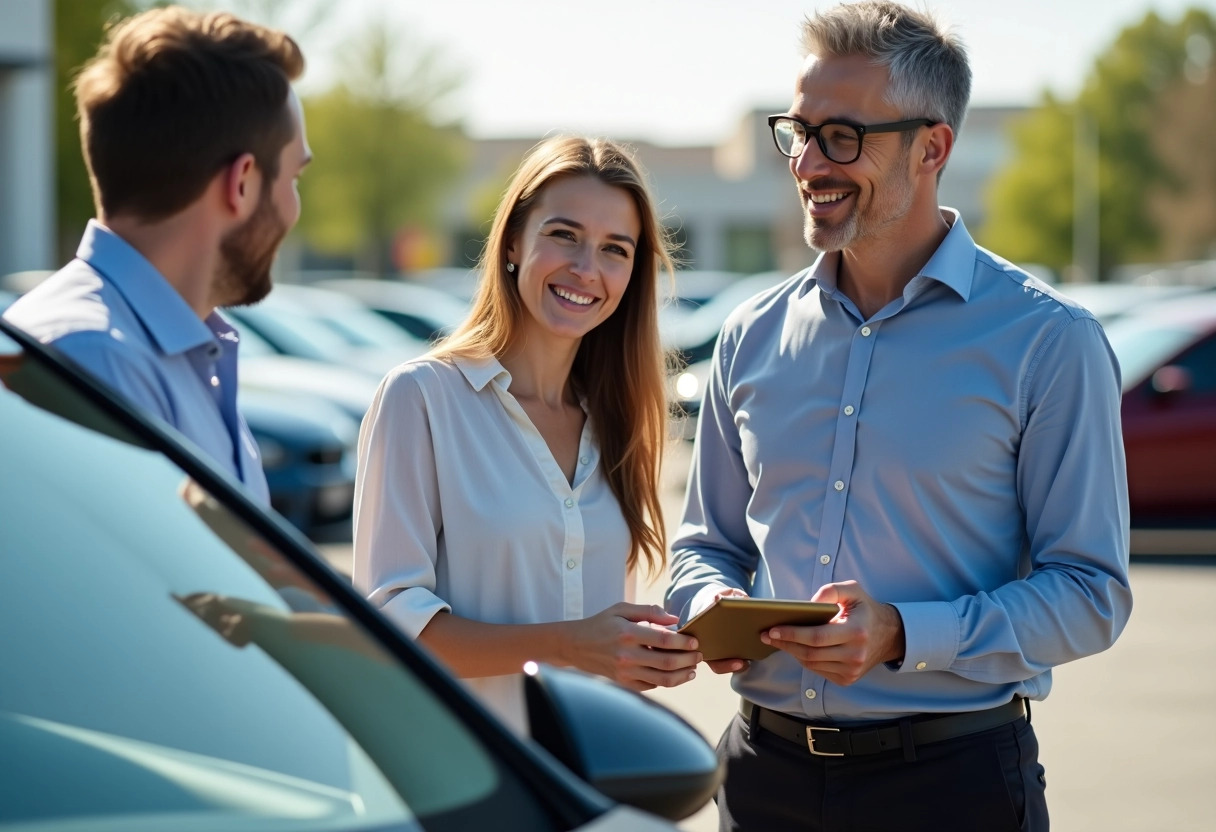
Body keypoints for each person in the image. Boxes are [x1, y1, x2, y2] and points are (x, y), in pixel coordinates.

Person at [664, 3, 1133, 830]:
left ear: (933, 147)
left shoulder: (1047, 342)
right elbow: (709, 543)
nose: (809, 162)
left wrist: (904, 634)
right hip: (761, 778)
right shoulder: (750, 333)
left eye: (842, 136)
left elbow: (1092, 593)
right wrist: (705, 603)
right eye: (799, 131)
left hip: (951, 789)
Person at [352, 135, 701, 735]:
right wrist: (571, 645)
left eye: (614, 249)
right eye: (564, 235)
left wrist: (642, 653)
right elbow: (391, 624)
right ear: (514, 241)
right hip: (471, 780)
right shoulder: (422, 399)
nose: (587, 269)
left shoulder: (619, 421)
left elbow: (603, 640)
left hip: (590, 776)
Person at [3, 6, 310, 502]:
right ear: (242, 183)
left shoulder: (165, 353)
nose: (296, 208)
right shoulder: (94, 359)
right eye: (294, 178)